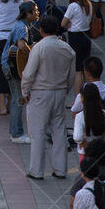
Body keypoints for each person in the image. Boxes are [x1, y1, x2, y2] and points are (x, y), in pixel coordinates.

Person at [21, 15, 75, 180]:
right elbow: (72, 76)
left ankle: (36, 171)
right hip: (59, 91)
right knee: (59, 130)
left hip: (40, 92)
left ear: (41, 30)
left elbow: (29, 73)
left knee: (37, 133)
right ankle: (60, 169)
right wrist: (66, 89)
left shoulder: (39, 48)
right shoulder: (67, 48)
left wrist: (25, 92)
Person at [3, 0, 37, 144]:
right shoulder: (22, 28)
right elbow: (22, 46)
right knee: (18, 99)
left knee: (17, 98)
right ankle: (16, 134)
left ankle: (15, 132)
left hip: (11, 65)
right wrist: (34, 57)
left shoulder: (23, 25)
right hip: (12, 66)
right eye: (34, 11)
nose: (37, 13)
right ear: (27, 13)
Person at [61, 0, 93, 96]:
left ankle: (77, 99)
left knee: (78, 70)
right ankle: (85, 95)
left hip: (75, 37)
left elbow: (63, 23)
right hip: (86, 36)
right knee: (85, 68)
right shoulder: (89, 4)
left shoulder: (73, 6)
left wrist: (70, 24)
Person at [74, 83, 105, 160]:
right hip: (101, 153)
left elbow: (77, 137)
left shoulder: (80, 116)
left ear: (82, 98)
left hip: (86, 155)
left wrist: (85, 144)